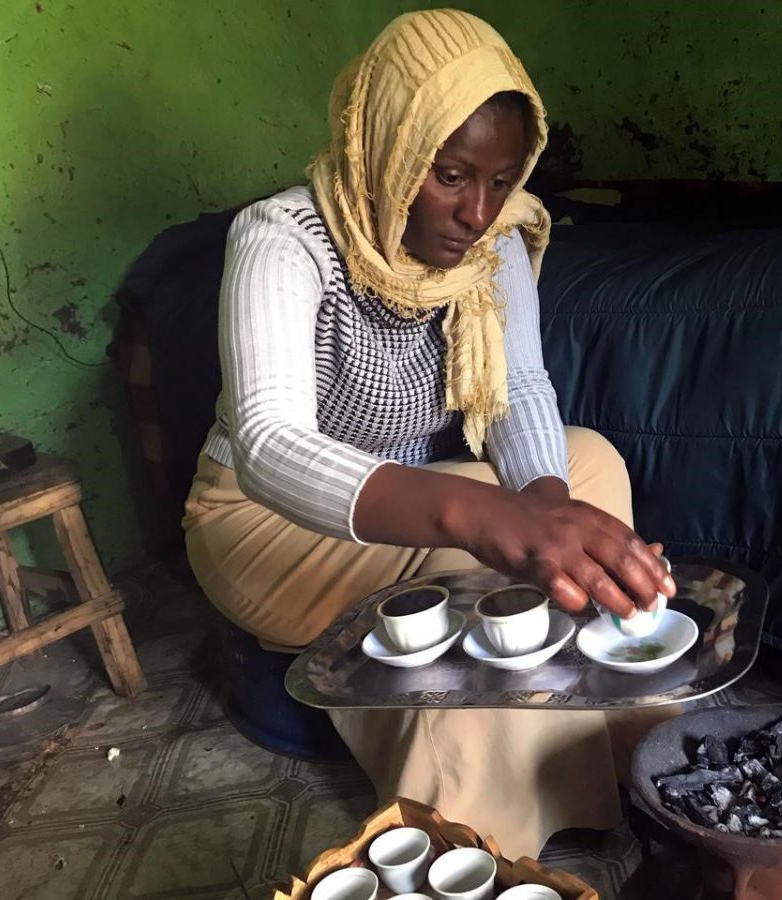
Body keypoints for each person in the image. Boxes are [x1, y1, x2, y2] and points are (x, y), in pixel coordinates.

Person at [183, 8, 676, 858]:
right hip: (266, 525)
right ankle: (483, 841)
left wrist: (545, 516)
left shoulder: (498, 241)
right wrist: (491, 524)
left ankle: (607, 761)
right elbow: (268, 441)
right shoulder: (283, 238)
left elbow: (520, 387)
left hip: (415, 493)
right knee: (469, 580)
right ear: (389, 145)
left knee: (587, 463)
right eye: (449, 175)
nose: (475, 212)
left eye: (500, 179)